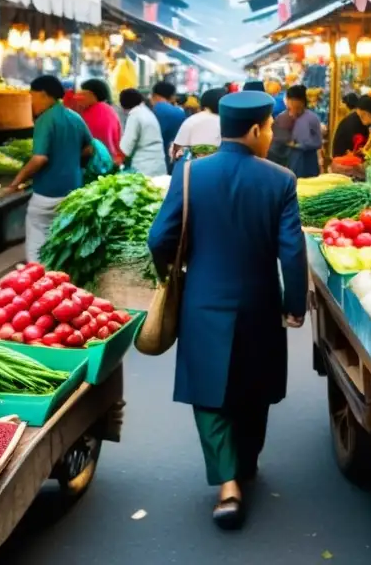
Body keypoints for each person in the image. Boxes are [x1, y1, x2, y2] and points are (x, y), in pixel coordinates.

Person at [147, 90, 307, 530]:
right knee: (254, 386)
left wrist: (177, 271)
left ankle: (227, 483)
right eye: (270, 128)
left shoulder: (190, 173)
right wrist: (295, 306)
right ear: (256, 130)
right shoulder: (280, 180)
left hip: (203, 300)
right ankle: (247, 463)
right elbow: (292, 252)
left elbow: (159, 237)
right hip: (259, 300)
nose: (272, 135)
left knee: (208, 391)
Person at [6, 76, 92, 263]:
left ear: (44, 95)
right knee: (61, 242)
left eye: (33, 96)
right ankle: (58, 281)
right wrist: (69, 161)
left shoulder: (45, 120)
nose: (31, 102)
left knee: (37, 239)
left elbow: (39, 159)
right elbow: (89, 148)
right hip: (73, 191)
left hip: (47, 194)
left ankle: (37, 281)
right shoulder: (74, 117)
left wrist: (15, 184)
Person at [269, 85, 323, 178]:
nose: (292, 112)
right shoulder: (283, 118)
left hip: (307, 163)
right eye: (290, 108)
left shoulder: (311, 118)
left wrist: (299, 145)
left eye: (296, 108)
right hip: (290, 162)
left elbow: (318, 142)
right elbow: (276, 143)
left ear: (302, 103)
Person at [120, 88, 168, 176]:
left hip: (144, 168)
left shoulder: (134, 116)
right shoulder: (147, 112)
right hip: (159, 165)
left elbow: (126, 147)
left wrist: (115, 163)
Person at [77, 78, 122, 162]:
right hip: (111, 161)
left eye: (82, 94)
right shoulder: (109, 110)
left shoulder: (94, 113)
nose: (79, 98)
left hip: (96, 164)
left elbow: (90, 145)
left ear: (92, 95)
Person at [173, 87, 223, 161]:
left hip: (192, 166)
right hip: (220, 165)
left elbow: (177, 147)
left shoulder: (191, 120)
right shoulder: (227, 123)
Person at [150, 81, 187, 172]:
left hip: (151, 159)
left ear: (154, 95)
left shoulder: (150, 111)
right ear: (172, 97)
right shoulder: (179, 113)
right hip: (172, 159)